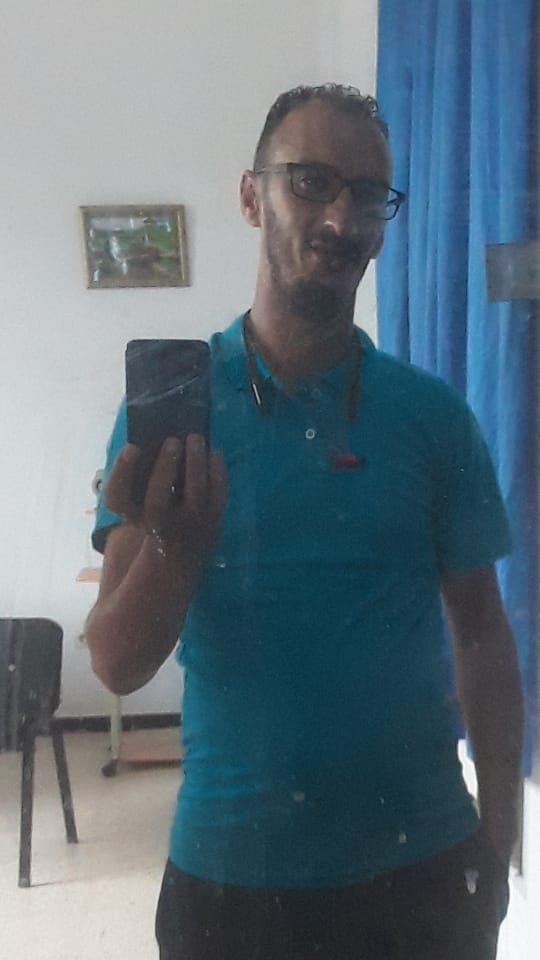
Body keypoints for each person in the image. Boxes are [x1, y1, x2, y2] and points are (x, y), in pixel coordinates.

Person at [86, 84, 523, 960]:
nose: (340, 218)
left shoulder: (432, 419)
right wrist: (177, 546)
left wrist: (502, 838)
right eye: (311, 182)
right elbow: (117, 664)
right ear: (252, 196)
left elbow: (481, 633)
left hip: (424, 869)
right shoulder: (172, 417)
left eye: (368, 194)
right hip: (231, 881)